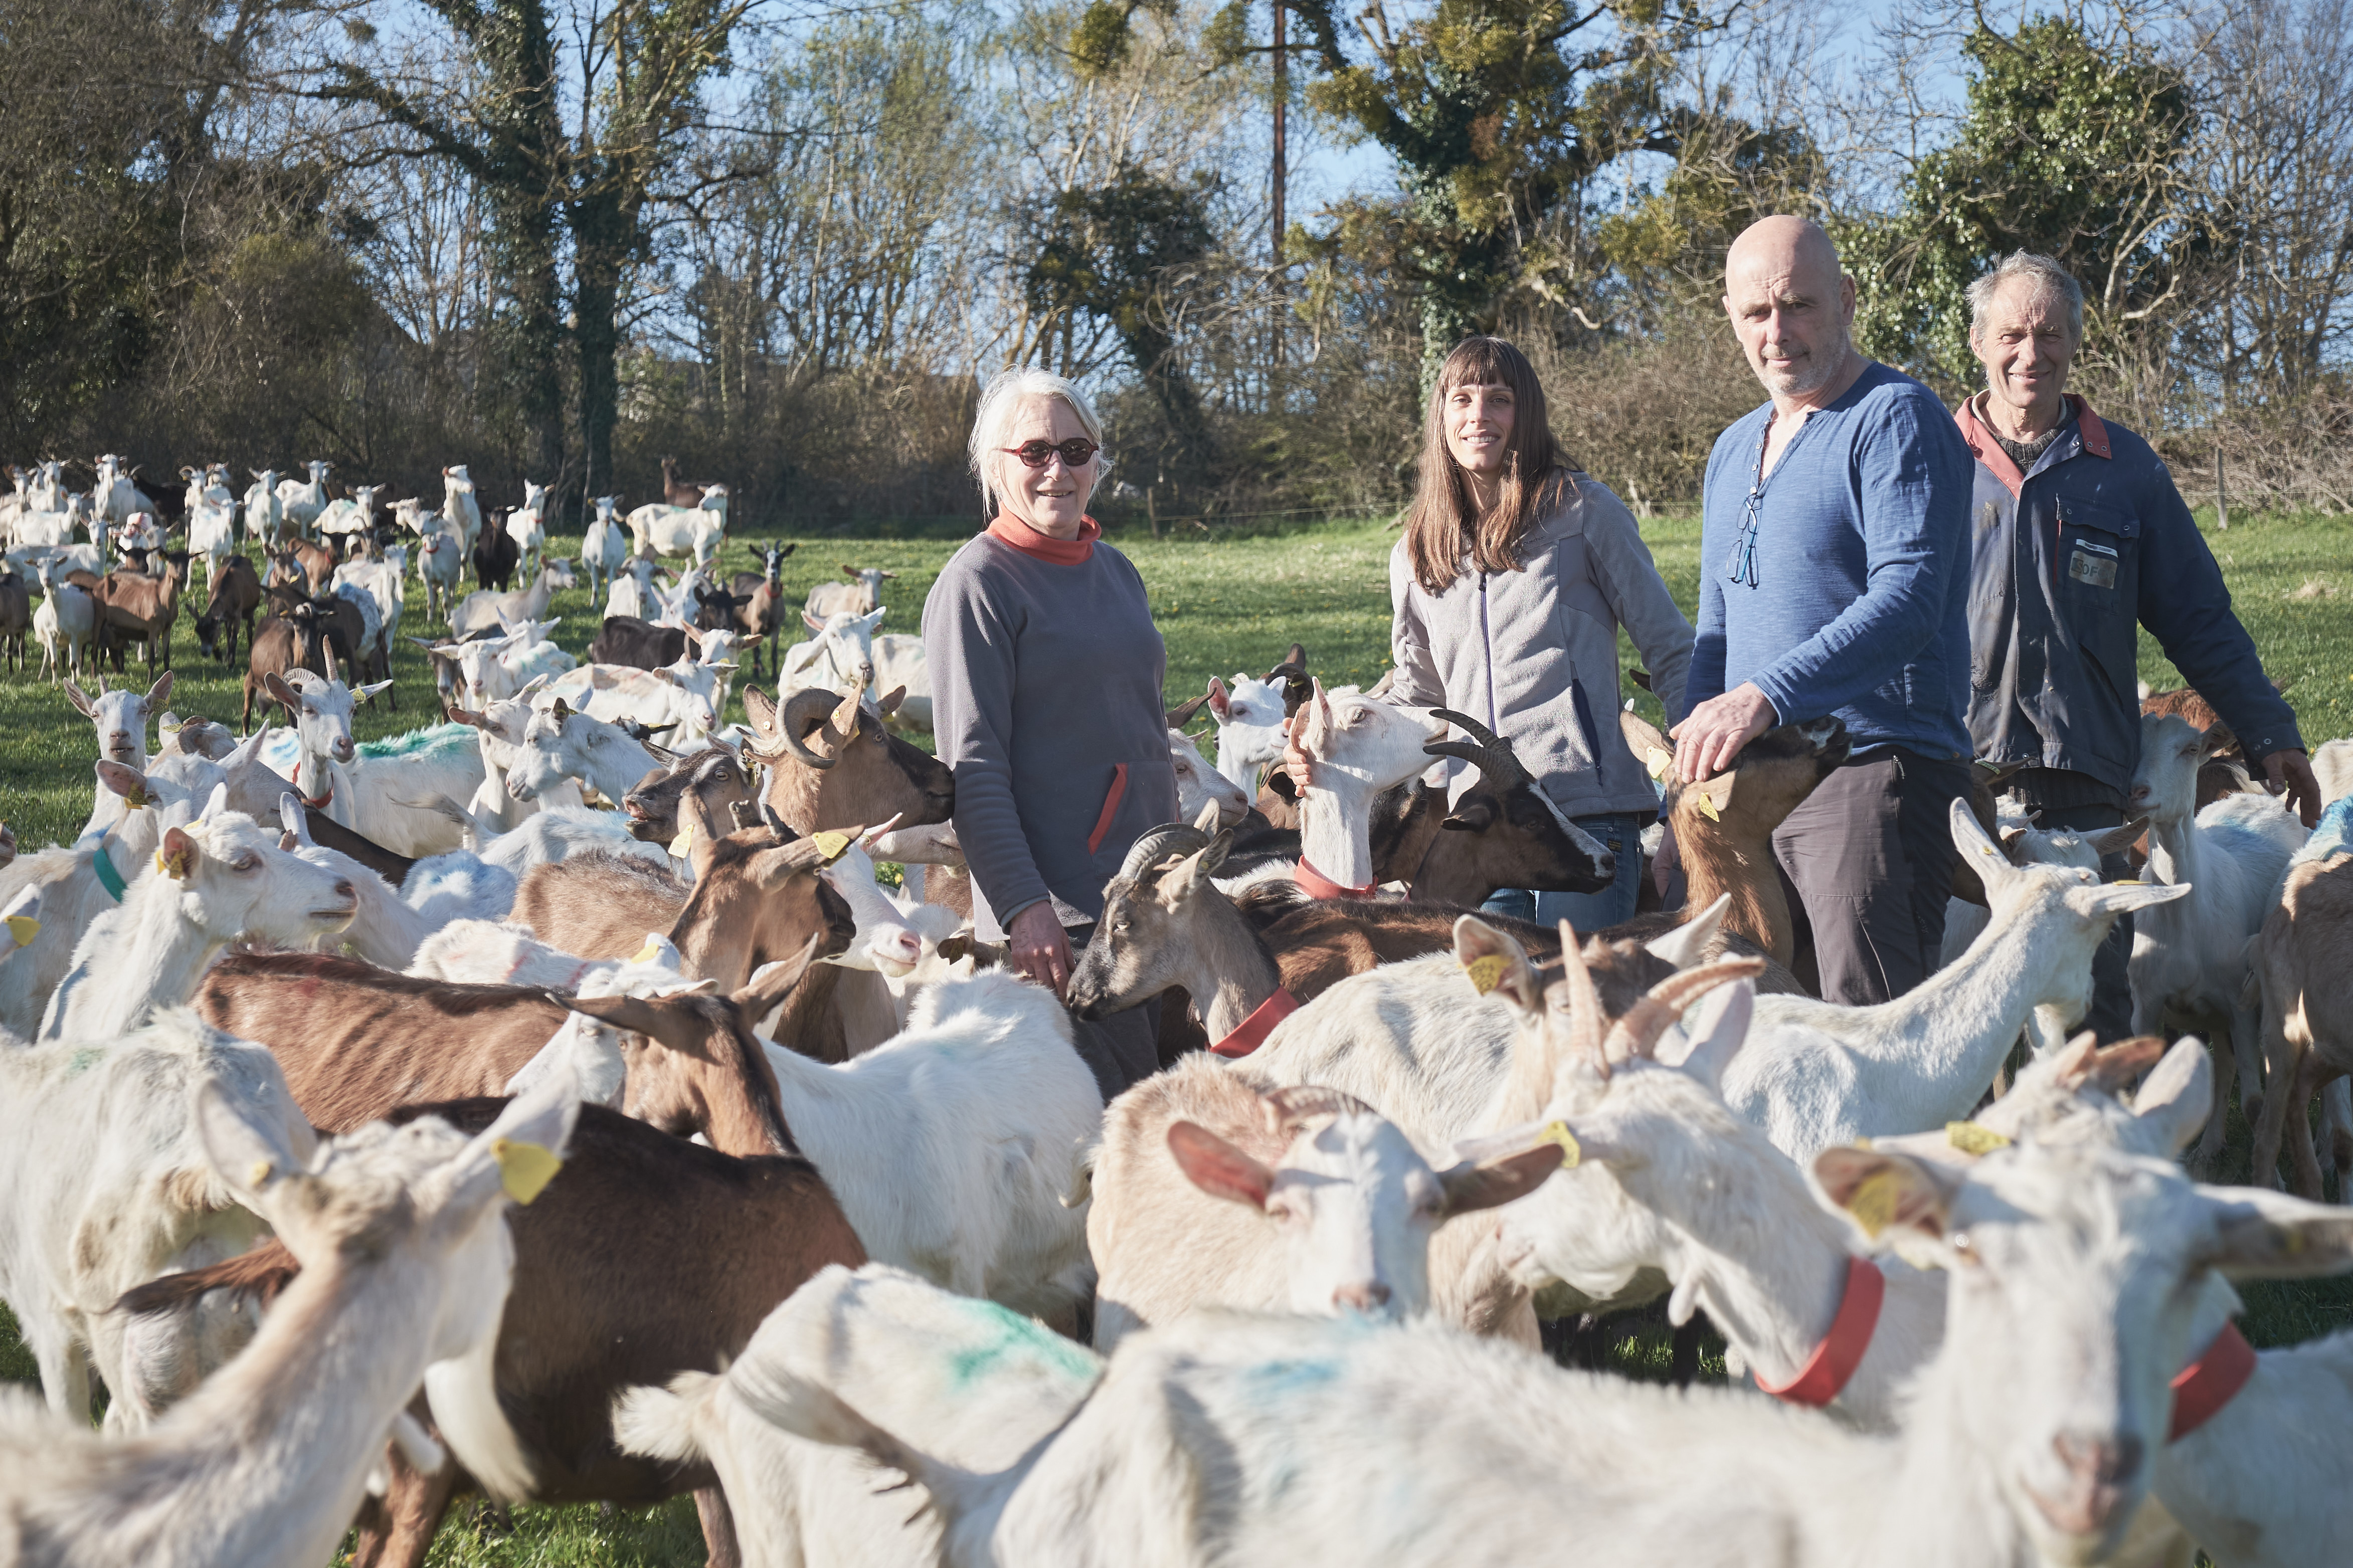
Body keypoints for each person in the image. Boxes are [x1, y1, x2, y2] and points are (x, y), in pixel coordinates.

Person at [1954, 250, 2316, 1038]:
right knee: (1961, 998)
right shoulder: (1928, 462)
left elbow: (2199, 617)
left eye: (2050, 335)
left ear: (2075, 346)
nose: (2030, 354)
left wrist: (2269, 735)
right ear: (1978, 341)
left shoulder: (2126, 472)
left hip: (2087, 782)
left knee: (2093, 999)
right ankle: (1974, 1159)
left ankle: (2088, 1153)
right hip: (1958, 774)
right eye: (2012, 332)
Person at [1677, 215, 1977, 1005]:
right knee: (1764, 1036)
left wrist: (1764, 696)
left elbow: (1909, 599)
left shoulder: (1897, 418)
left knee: (1871, 1039)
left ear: (1845, 299)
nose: (1778, 332)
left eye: (1799, 305)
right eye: (1755, 313)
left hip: (1867, 776)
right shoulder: (1733, 446)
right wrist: (1686, 765)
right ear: (1729, 315)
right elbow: (1717, 629)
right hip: (1748, 789)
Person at [1334, 335, 1693, 930]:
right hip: (1478, 830)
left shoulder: (1585, 511)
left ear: (1525, 414)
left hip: (1583, 811)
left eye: (1499, 399)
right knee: (1495, 1013)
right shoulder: (1416, 552)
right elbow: (1419, 698)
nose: (1480, 416)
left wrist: (1687, 791)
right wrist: (1333, 739)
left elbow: (1672, 649)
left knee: (1578, 1008)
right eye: (1463, 399)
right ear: (1440, 416)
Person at [923, 368, 1177, 1099]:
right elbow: (973, 769)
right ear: (992, 466)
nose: (1057, 470)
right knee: (1107, 1136)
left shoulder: (1117, 571)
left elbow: (1135, 729)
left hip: (1146, 906)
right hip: (1066, 927)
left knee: (1155, 1111)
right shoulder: (979, 585)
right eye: (1033, 452)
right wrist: (1023, 908)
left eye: (1076, 449)